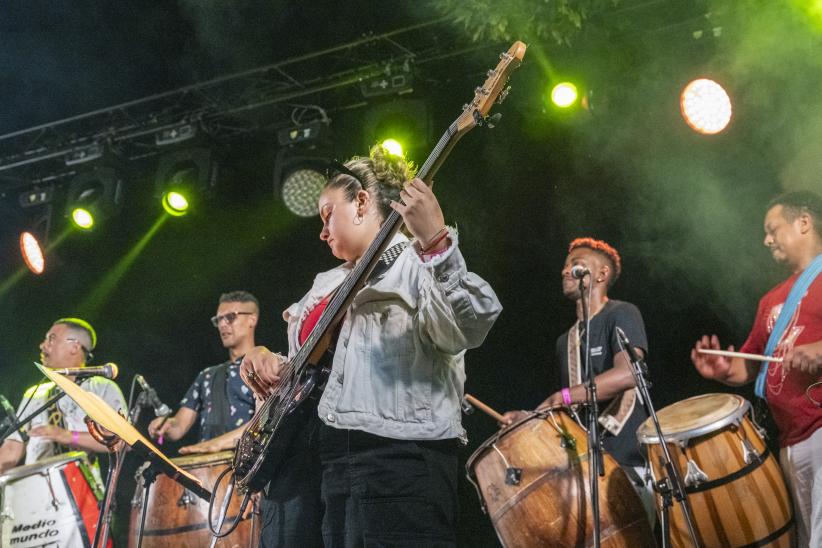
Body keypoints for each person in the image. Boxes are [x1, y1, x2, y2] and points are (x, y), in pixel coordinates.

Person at [239, 145, 502, 547]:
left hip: (396, 460)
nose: (322, 231)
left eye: (328, 215)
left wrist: (435, 241)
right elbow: (316, 371)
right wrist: (265, 360)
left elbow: (469, 326)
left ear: (361, 201)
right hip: (325, 462)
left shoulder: (418, 261)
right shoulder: (324, 283)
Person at [691, 190, 822, 547]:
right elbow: (748, 367)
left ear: (804, 223)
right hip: (789, 441)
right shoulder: (771, 300)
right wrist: (721, 368)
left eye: (772, 229)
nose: (766, 239)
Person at [501, 238, 653, 512]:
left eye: (575, 264)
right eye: (564, 265)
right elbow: (568, 410)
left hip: (628, 464)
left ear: (601, 274)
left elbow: (629, 373)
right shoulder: (565, 341)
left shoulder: (621, 313)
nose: (564, 271)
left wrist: (565, 396)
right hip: (586, 468)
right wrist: (528, 418)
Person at [0, 318, 127, 475]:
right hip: (33, 489)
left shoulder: (101, 387)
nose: (42, 345)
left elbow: (120, 441)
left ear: (74, 347)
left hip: (81, 492)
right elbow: (13, 448)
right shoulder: (35, 392)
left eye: (51, 338)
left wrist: (67, 436)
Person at [148, 291, 260, 454]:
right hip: (207, 471)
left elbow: (264, 422)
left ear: (252, 319)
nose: (222, 324)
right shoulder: (207, 375)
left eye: (230, 317)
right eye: (218, 319)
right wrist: (167, 425)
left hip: (249, 468)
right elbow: (179, 426)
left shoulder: (264, 366)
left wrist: (214, 444)